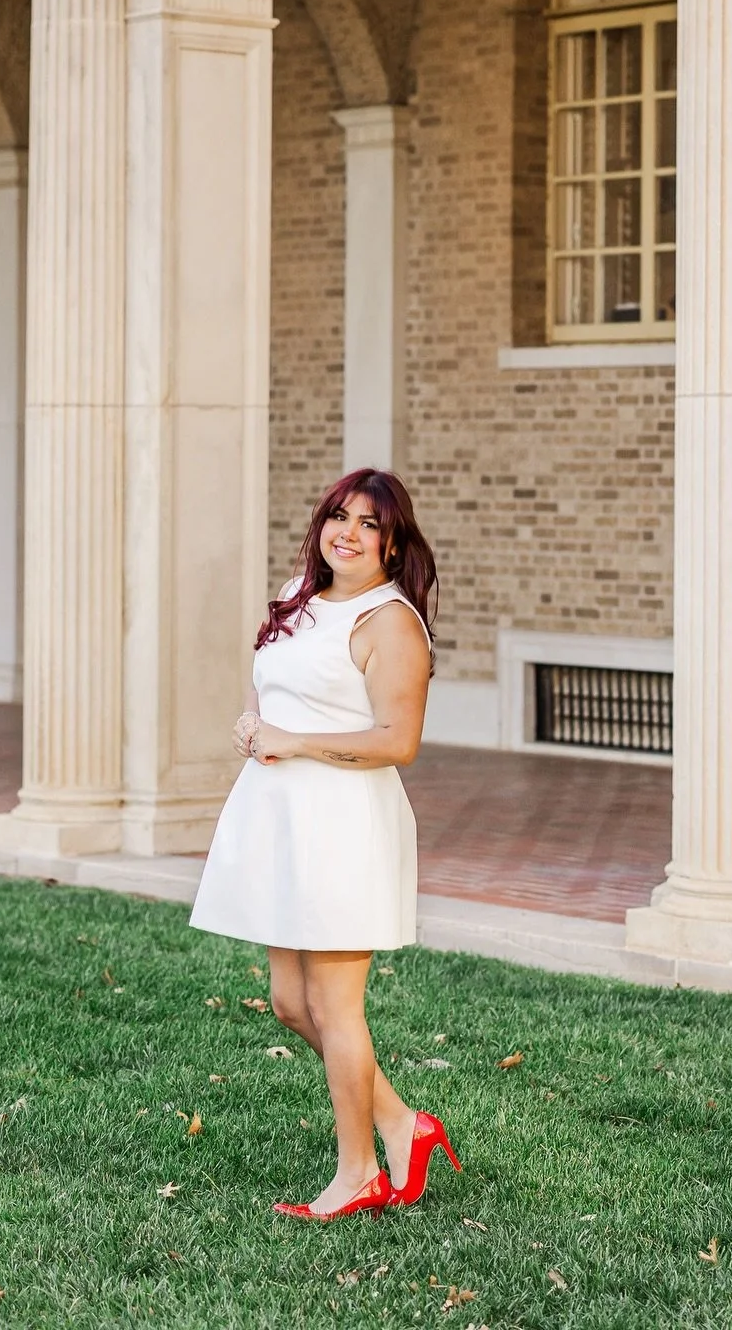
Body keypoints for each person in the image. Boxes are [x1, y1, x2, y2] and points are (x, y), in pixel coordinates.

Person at [190, 468, 461, 1220]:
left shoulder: (390, 622)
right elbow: (270, 683)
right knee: (288, 1001)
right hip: (278, 816)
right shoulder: (300, 595)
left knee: (336, 1008)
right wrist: (254, 722)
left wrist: (295, 739)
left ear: (393, 541)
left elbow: (397, 740)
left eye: (368, 524)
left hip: (344, 824)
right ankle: (406, 1124)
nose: (347, 532)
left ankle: (359, 1173)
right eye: (337, 516)